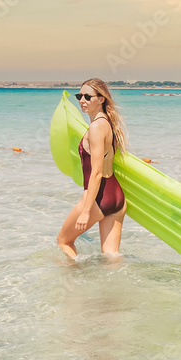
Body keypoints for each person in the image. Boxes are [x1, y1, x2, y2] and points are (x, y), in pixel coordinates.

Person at [57, 78, 129, 259]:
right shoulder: (108, 123)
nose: (82, 100)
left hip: (98, 197)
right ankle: (115, 287)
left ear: (102, 99)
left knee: (64, 242)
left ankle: (76, 284)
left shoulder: (97, 127)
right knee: (111, 257)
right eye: (79, 96)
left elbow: (96, 173)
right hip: (116, 197)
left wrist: (86, 211)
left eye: (88, 97)